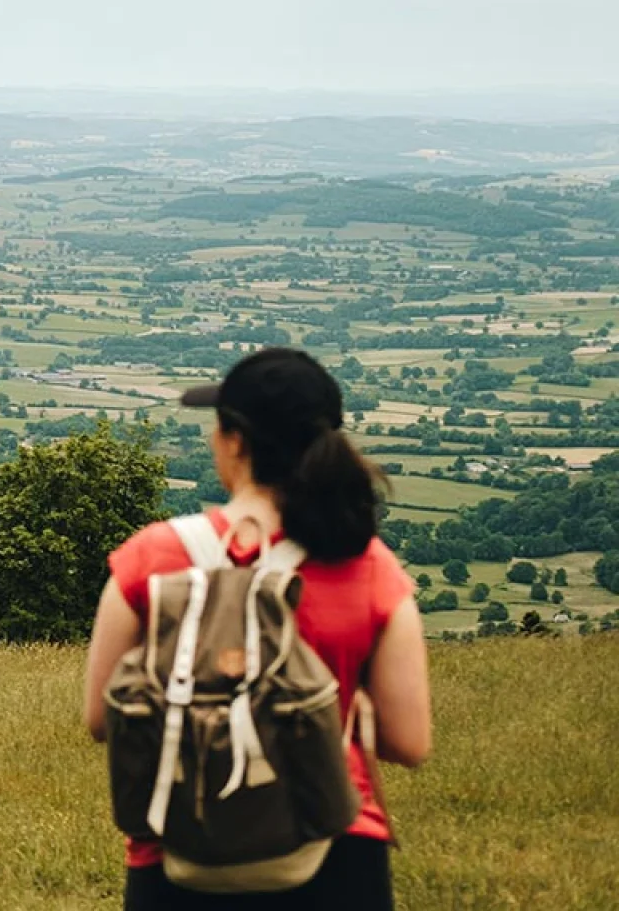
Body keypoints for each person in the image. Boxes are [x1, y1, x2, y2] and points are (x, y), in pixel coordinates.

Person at [82, 347, 433, 910]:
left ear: (235, 441)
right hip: (336, 851)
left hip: (178, 853)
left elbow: (102, 720)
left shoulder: (150, 558)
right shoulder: (368, 566)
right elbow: (410, 743)